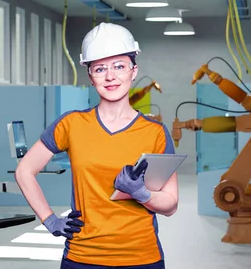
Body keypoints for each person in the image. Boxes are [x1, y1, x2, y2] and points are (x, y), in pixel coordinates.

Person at [14, 22, 178, 269]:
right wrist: (49, 220)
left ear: (134, 71)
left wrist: (140, 192)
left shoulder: (155, 132)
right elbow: (24, 171)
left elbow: (170, 205)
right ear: (90, 76)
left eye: (119, 66)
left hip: (141, 257)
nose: (110, 76)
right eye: (100, 69)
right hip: (82, 257)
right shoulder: (71, 124)